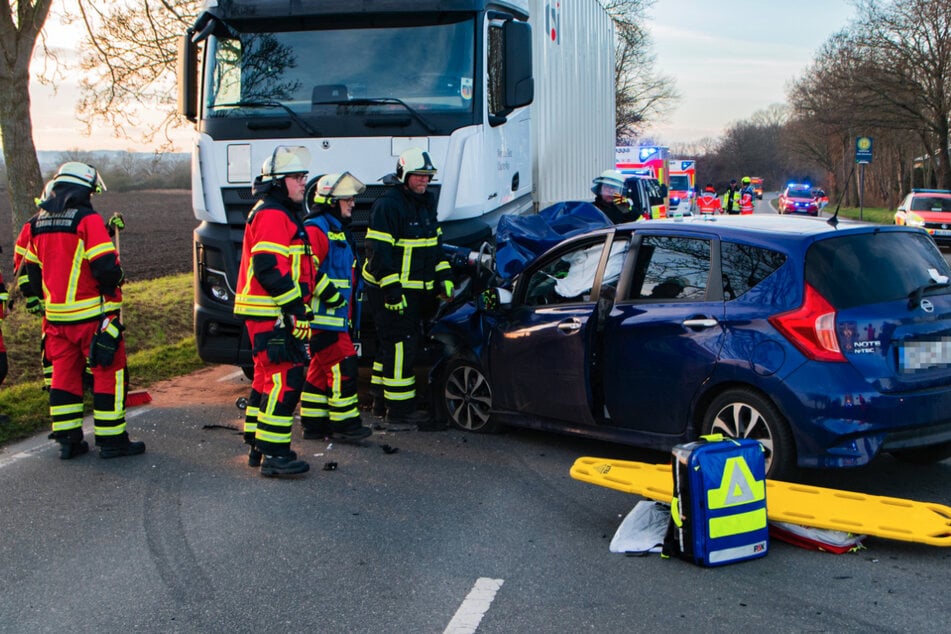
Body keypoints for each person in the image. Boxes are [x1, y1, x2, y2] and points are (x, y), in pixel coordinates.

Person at [20, 162, 144, 460]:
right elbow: (105, 268)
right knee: (108, 373)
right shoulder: (87, 220)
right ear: (82, 190)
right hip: (94, 317)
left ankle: (68, 441)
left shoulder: (36, 223)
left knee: (64, 376)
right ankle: (112, 441)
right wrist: (118, 278)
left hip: (56, 320)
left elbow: (31, 272)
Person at [234, 146, 316, 477]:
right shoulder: (273, 214)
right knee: (286, 378)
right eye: (297, 177)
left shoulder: (275, 211)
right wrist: (295, 308)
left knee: (267, 378)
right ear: (278, 182)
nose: (303, 183)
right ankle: (275, 454)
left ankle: (258, 445)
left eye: (303, 176)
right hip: (272, 312)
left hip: (266, 311)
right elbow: (269, 267)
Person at [363, 147, 453, 430]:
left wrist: (444, 275)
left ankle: (380, 400)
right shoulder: (389, 205)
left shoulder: (426, 203)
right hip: (390, 290)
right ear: (404, 176)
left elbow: (434, 245)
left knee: (390, 344)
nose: (424, 180)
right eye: (418, 175)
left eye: (428, 176)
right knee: (402, 345)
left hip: (413, 290)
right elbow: (378, 253)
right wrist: (392, 291)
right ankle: (400, 410)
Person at [299, 173, 373, 442]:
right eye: (347, 199)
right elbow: (306, 269)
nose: (353, 203)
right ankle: (346, 425)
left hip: (336, 318)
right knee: (344, 365)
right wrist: (331, 295)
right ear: (331, 201)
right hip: (323, 319)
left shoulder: (335, 228)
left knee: (320, 370)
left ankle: (314, 424)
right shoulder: (316, 229)